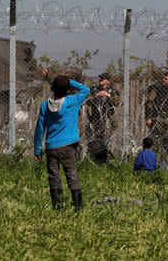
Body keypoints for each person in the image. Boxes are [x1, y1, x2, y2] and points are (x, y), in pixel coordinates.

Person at [34, 75, 90, 210]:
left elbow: (40, 128)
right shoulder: (72, 101)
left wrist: (37, 149)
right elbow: (86, 89)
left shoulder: (45, 105)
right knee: (72, 174)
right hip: (68, 146)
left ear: (53, 88)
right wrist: (68, 82)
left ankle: (57, 206)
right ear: (68, 90)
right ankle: (78, 205)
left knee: (54, 177)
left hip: (51, 147)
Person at [85, 72, 120, 164]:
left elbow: (116, 103)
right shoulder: (93, 90)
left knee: (106, 139)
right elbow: (87, 101)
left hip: (108, 118)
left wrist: (108, 95)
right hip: (95, 118)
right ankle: (94, 158)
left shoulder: (113, 91)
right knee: (94, 139)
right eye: (100, 80)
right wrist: (96, 95)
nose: (100, 82)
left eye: (103, 80)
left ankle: (106, 158)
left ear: (107, 81)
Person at [145, 72, 168, 159]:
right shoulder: (156, 89)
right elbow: (149, 103)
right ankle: (155, 158)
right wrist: (149, 117)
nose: (163, 80)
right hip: (158, 117)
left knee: (167, 140)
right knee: (156, 139)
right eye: (163, 78)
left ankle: (164, 159)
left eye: (165, 79)